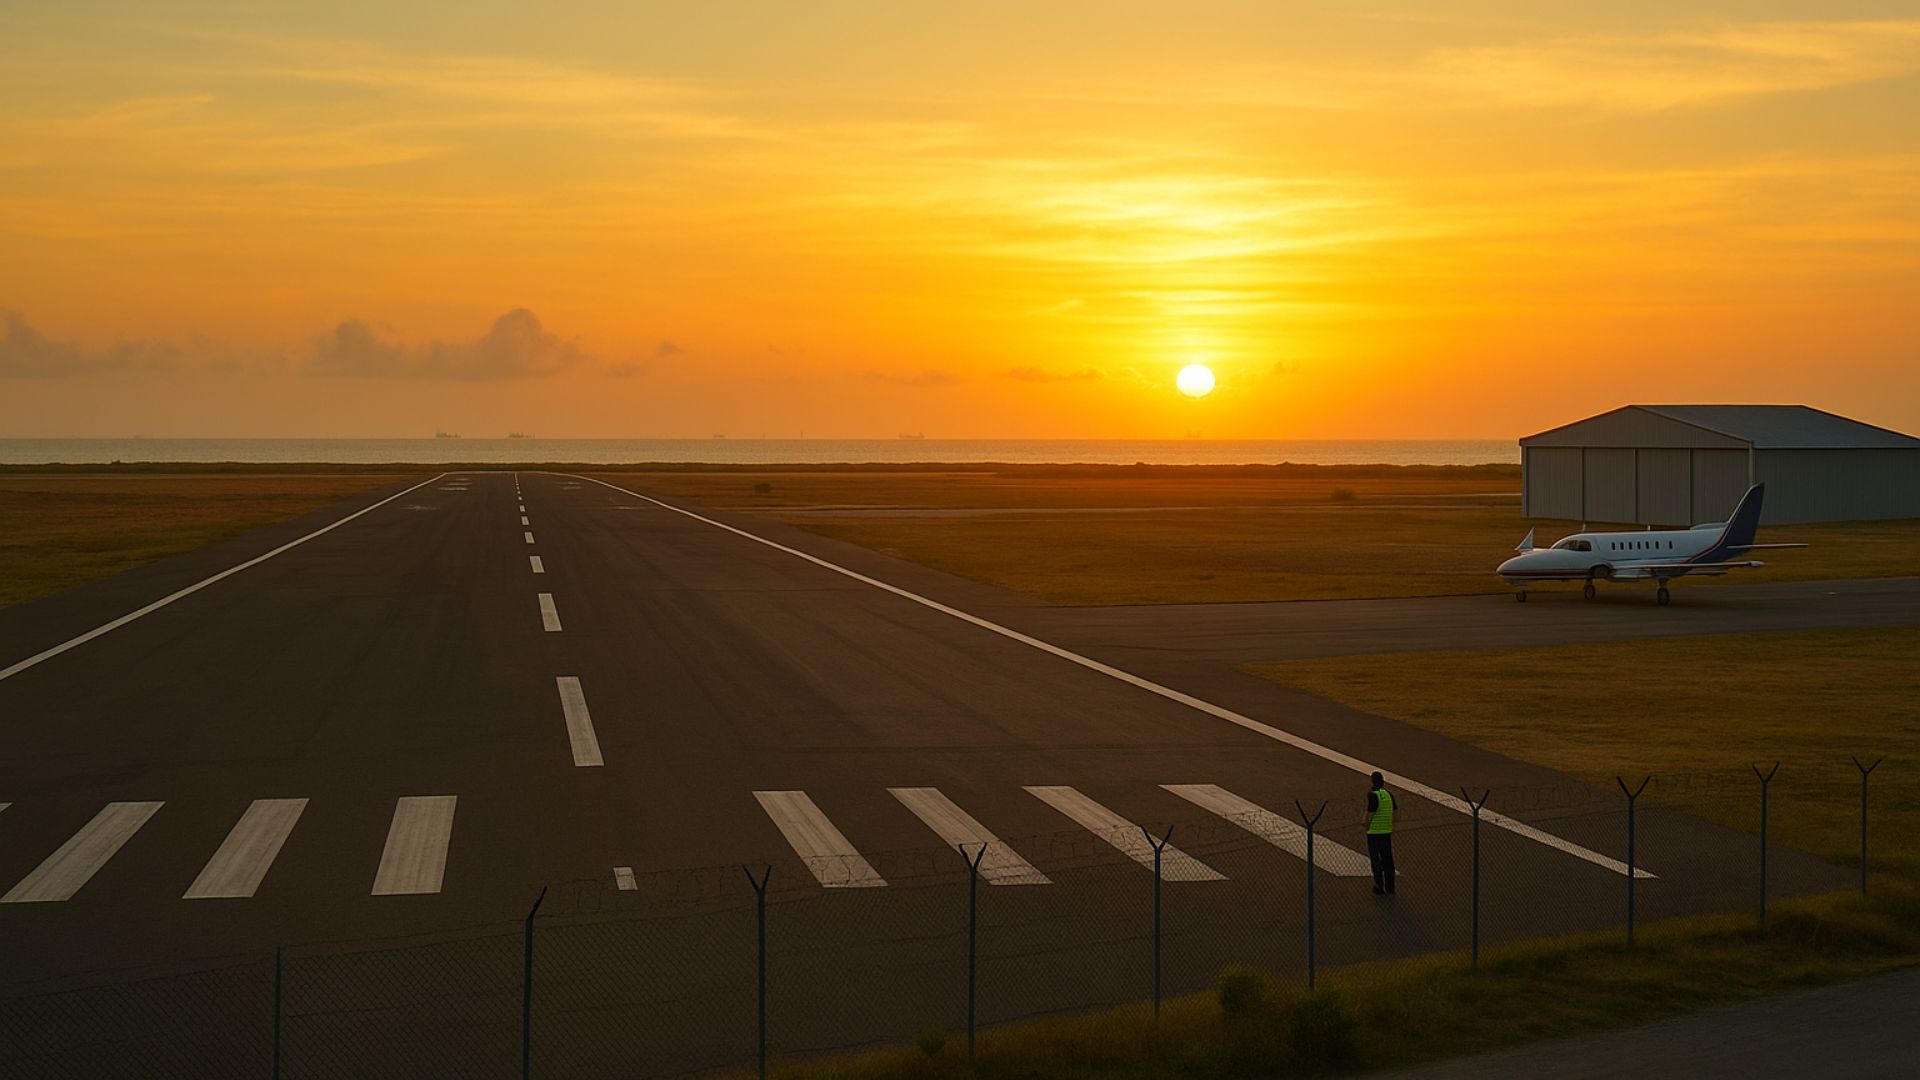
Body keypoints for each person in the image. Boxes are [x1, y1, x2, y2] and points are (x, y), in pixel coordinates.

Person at [1364, 771, 1396, 895]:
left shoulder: (1373, 795)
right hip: (1386, 832)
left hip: (1374, 833)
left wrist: (1366, 825)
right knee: (1388, 860)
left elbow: (1369, 815)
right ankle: (1390, 886)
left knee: (1376, 860)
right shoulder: (1389, 795)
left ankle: (1379, 885)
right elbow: (1396, 815)